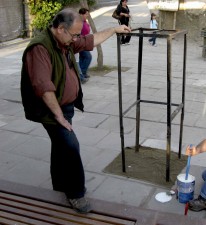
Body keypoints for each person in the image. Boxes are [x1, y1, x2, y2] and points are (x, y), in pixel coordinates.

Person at [20, 8, 130, 214]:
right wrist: (59, 116)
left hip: (65, 107)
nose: (77, 39)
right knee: (71, 146)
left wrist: (114, 29)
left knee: (60, 146)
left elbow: (90, 40)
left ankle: (60, 186)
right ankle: (76, 194)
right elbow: (43, 86)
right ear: (60, 29)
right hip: (51, 111)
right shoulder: (40, 48)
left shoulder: (65, 41)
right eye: (74, 35)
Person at [78, 8, 92, 81]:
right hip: (81, 43)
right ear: (81, 14)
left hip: (85, 42)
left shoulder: (84, 21)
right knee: (88, 57)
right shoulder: (79, 22)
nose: (87, 15)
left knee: (82, 58)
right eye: (86, 14)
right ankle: (82, 74)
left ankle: (82, 73)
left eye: (88, 14)